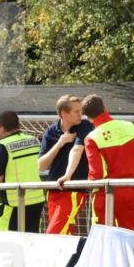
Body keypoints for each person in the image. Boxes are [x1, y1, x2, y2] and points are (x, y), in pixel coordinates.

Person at [59, 95, 134, 233]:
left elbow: (97, 174)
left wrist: (89, 185)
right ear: (105, 108)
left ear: (87, 117)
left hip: (105, 193)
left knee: (103, 236)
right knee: (132, 234)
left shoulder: (92, 138)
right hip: (129, 189)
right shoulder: (129, 127)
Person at [38, 95, 93, 235]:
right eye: (76, 111)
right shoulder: (51, 131)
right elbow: (41, 166)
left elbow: (77, 150)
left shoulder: (85, 126)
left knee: (54, 234)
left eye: (81, 111)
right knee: (65, 234)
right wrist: (59, 144)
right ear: (64, 113)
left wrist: (67, 176)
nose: (81, 114)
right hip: (53, 190)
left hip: (73, 190)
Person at [0, 110, 46, 232]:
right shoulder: (34, 140)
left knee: (5, 240)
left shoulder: (1, 146)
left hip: (14, 203)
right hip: (37, 200)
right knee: (32, 239)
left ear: (2, 128)